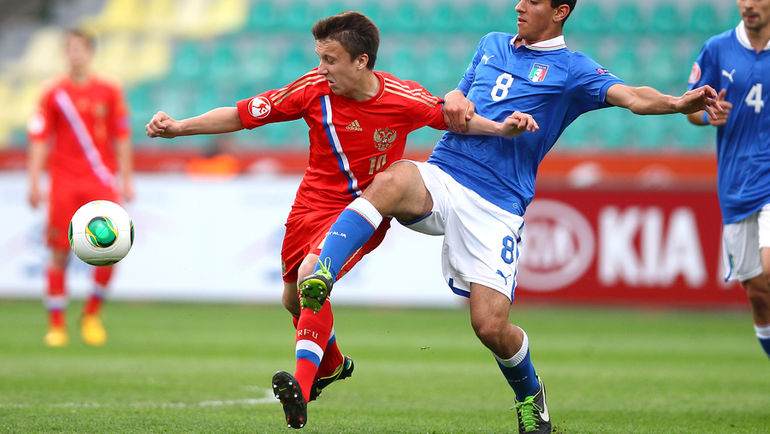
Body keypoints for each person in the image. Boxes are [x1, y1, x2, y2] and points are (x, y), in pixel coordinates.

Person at [298, 2, 721, 432]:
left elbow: (632, 97)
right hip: (446, 173)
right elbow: (456, 100)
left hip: (497, 204)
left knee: (490, 326)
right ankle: (324, 271)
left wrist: (676, 101)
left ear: (559, 12)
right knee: (393, 180)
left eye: (533, 1)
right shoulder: (491, 44)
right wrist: (457, 97)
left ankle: (530, 396)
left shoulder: (573, 69)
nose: (519, 5)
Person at [144, 11, 537, 430]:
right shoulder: (311, 90)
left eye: (330, 59)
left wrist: (501, 129)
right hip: (310, 206)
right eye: (320, 58)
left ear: (361, 61)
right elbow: (243, 114)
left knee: (316, 273)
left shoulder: (403, 98)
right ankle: (332, 364)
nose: (320, 68)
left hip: (365, 211)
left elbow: (456, 118)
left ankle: (301, 385)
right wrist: (179, 128)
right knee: (293, 300)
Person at [27, 28, 134, 348]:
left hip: (100, 179)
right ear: (65, 53)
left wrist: (126, 178)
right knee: (58, 252)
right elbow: (39, 139)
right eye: (70, 48)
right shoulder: (52, 92)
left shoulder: (110, 90)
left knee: (113, 250)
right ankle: (56, 325)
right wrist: (34, 180)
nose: (75, 54)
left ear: (91, 52)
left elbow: (122, 135)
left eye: (80, 48)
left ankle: (91, 314)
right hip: (63, 181)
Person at [686, 0, 770, 359]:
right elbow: (691, 110)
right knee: (758, 292)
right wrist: (707, 115)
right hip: (736, 186)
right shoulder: (717, 49)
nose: (748, 5)